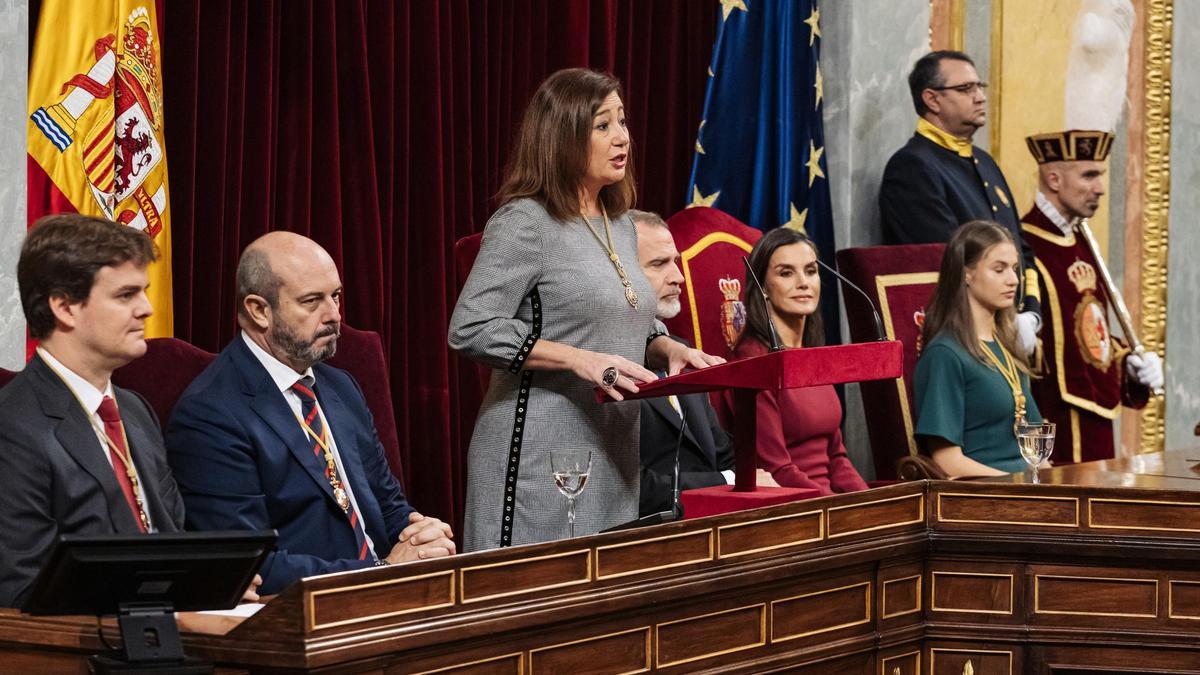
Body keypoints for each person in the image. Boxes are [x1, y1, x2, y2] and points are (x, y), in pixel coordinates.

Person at [449, 69, 721, 550]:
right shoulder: (524, 222)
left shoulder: (619, 224)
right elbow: (470, 327)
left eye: (623, 122)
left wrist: (665, 349)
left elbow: (627, 315)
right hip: (537, 451)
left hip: (612, 449)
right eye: (603, 125)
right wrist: (582, 359)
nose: (623, 138)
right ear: (563, 134)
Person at [166, 232, 454, 595]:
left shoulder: (341, 387)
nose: (334, 315)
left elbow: (387, 503)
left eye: (335, 296)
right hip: (302, 618)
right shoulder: (211, 413)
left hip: (386, 594)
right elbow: (249, 563)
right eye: (311, 301)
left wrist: (422, 535)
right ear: (259, 310)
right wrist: (378, 571)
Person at [0, 214, 188, 608]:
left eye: (144, 292)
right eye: (125, 295)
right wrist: (178, 615)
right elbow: (22, 592)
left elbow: (171, 539)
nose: (147, 309)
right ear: (65, 307)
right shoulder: (12, 425)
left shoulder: (135, 410)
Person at [879, 50, 1042, 357]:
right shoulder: (912, 167)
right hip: (964, 341)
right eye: (966, 89)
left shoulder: (984, 162)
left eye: (979, 87)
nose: (980, 97)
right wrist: (1005, 322)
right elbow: (949, 261)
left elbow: (1022, 250)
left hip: (1010, 336)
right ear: (932, 99)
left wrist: (1030, 315)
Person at [1021, 130, 1159, 463]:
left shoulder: (1081, 240)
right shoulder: (1024, 245)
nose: (1100, 187)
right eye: (1089, 175)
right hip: (1052, 417)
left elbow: (1089, 332)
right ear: (1054, 179)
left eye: (1101, 175)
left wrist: (1128, 365)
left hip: (1096, 416)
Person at [629, 210, 776, 517]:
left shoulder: (683, 351)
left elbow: (723, 454)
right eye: (659, 264)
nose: (678, 276)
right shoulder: (605, 365)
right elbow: (630, 488)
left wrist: (742, 483)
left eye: (675, 262)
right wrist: (728, 482)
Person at [718, 228, 868, 496]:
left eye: (810, 271)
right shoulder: (753, 361)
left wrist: (872, 504)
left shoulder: (813, 354)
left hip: (830, 504)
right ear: (763, 287)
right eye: (786, 273)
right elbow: (776, 469)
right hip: (790, 507)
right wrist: (837, 508)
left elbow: (837, 458)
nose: (803, 282)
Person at [913, 221, 1043, 477]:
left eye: (1015, 269)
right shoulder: (945, 353)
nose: (1013, 280)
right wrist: (1015, 484)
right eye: (999, 269)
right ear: (966, 274)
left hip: (1026, 489)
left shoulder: (1006, 346)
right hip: (982, 497)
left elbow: (1036, 448)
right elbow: (947, 461)